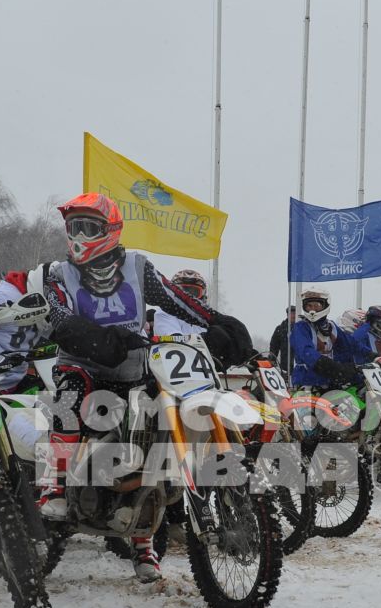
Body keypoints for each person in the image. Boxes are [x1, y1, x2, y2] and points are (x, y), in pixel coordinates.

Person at [27, 193, 249, 584]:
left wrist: (220, 323)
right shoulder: (58, 273)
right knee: (67, 401)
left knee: (154, 447)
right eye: (74, 227)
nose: (79, 235)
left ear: (110, 231)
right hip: (82, 365)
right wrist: (98, 338)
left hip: (134, 369)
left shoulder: (138, 267)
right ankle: (53, 485)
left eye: (89, 227)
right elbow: (58, 317)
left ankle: (144, 544)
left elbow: (180, 302)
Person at [288, 288, 354, 389]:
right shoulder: (300, 328)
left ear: (325, 306)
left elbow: (351, 344)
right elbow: (307, 353)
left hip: (329, 383)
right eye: (309, 306)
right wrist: (334, 368)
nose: (312, 310)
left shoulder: (331, 327)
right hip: (307, 385)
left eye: (317, 306)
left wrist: (372, 357)